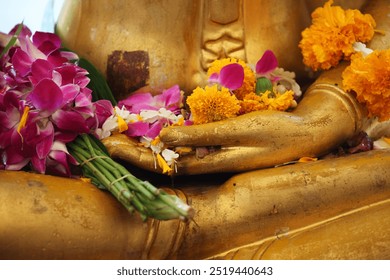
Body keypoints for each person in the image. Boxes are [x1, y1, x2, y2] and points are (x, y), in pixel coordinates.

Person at [1, 0, 389, 260]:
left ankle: (181, 228)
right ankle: (205, 220)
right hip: (100, 164)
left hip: (312, 149)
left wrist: (331, 110)